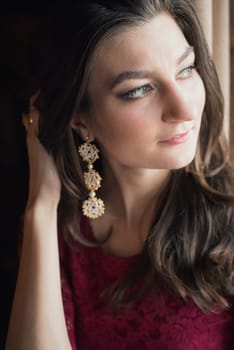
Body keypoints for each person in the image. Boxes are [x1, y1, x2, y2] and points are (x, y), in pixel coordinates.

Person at [5, 1, 234, 349]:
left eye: (186, 69)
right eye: (139, 89)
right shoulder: (60, 230)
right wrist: (41, 207)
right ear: (81, 119)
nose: (185, 109)